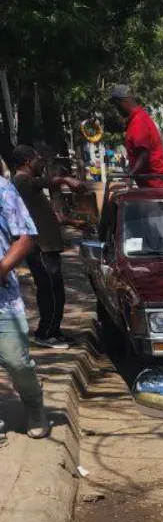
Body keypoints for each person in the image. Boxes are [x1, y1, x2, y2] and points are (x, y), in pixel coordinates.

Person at [10, 145, 86, 348]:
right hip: (40, 247)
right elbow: (44, 182)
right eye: (37, 159)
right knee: (48, 290)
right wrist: (64, 179)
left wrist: (71, 222)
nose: (40, 162)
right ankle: (45, 333)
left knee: (56, 290)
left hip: (49, 246)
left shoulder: (30, 185)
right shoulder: (21, 180)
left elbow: (44, 215)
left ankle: (54, 330)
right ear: (28, 162)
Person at [0, 173, 48, 445]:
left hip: (3, 297)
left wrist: (3, 267)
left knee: (17, 362)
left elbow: (26, 236)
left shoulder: (2, 188)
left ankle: (34, 404)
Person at [109, 85, 163, 187]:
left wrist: (130, 175)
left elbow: (143, 155)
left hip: (155, 186)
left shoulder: (138, 121)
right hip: (152, 184)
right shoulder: (138, 118)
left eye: (116, 104)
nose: (116, 109)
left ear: (124, 102)